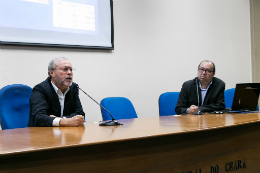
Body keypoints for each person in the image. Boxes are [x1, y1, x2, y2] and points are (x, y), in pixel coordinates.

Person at [27, 57, 85, 127]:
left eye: (71, 70)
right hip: (42, 134)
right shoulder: (40, 89)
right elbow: (39, 118)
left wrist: (62, 120)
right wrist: (66, 121)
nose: (69, 72)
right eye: (64, 69)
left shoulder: (73, 88)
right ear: (52, 73)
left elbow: (79, 114)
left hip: (64, 134)